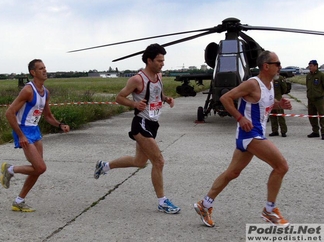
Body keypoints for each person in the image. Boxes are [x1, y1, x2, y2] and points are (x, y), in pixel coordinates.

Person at [193, 51, 292, 227]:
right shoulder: (252, 84)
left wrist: (278, 104)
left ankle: (205, 204)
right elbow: (225, 98)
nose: (280, 67)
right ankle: (269, 210)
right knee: (281, 166)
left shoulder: (269, 85)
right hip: (250, 134)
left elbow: (262, 105)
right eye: (277, 63)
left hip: (255, 134)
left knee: (232, 172)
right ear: (266, 66)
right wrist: (240, 118)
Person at [93, 43, 180, 214]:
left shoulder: (159, 76)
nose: (162, 64)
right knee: (159, 161)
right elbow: (119, 97)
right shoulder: (137, 79)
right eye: (159, 61)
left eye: (163, 60)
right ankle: (162, 202)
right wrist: (134, 103)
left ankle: (104, 166)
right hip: (141, 123)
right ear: (149, 60)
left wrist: (167, 98)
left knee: (139, 162)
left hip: (153, 123)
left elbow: (157, 94)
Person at [0, 59, 70, 212]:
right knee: (41, 167)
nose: (45, 70)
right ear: (33, 72)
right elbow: (9, 113)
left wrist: (60, 125)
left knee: (37, 169)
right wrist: (21, 135)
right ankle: (10, 169)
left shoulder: (46, 92)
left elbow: (48, 115)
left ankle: (19, 201)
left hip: (35, 130)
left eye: (45, 67)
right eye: (41, 68)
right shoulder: (28, 90)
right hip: (23, 130)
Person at [306, 60, 324, 140]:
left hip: (319, 99)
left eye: (311, 66)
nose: (310, 67)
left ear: (316, 66)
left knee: (322, 116)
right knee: (312, 116)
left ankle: (323, 132)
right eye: (309, 66)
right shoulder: (308, 76)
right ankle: (315, 131)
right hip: (310, 99)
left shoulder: (321, 75)